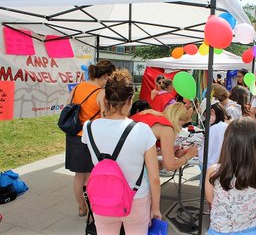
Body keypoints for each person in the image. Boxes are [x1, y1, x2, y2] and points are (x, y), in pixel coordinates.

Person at [82, 74, 161, 234]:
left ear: (106, 99)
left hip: (102, 198)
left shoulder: (89, 127)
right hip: (136, 198)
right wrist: (156, 208)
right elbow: (154, 178)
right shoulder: (142, 130)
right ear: (130, 100)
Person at [205, 117, 256, 235]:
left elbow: (210, 200)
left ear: (227, 142)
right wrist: (247, 206)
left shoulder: (214, 172)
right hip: (251, 229)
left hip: (219, 230)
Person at [65, 59, 115, 217]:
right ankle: (94, 208)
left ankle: (81, 207)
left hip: (73, 136)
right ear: (106, 76)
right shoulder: (101, 93)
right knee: (92, 176)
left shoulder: (78, 86)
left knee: (79, 176)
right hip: (91, 139)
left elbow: (68, 106)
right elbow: (105, 119)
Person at [131, 102, 198, 171]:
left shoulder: (152, 114)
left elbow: (141, 150)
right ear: (177, 119)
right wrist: (189, 155)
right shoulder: (166, 128)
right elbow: (170, 166)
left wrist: (167, 152)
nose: (180, 128)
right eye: (182, 124)